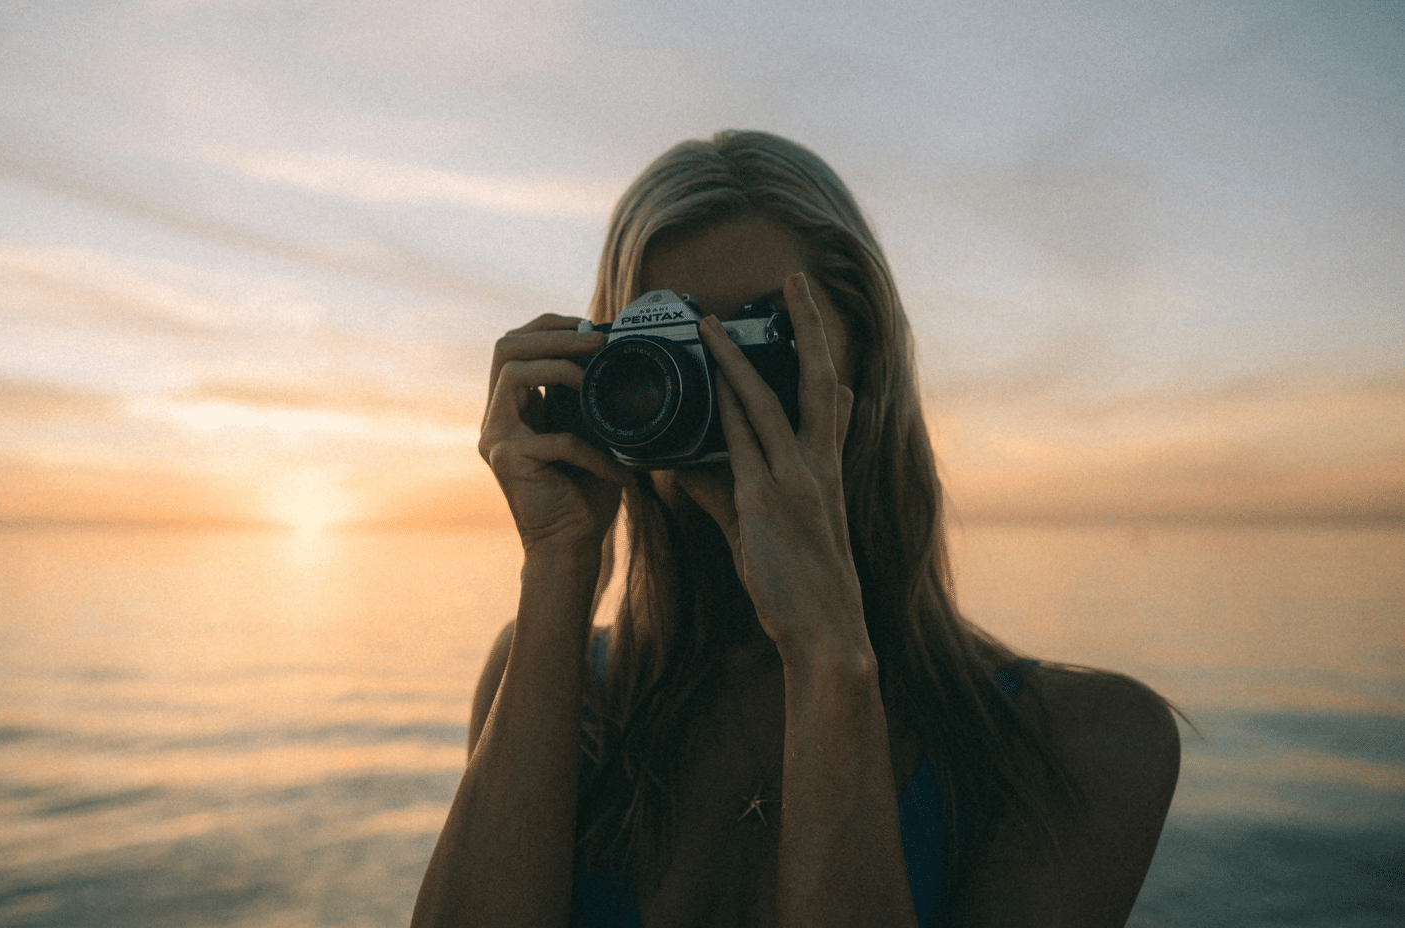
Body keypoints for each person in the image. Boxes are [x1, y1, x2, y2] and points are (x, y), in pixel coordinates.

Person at [412, 130, 1180, 928]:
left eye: (757, 334)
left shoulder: (1088, 744)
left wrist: (825, 651)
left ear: (866, 363)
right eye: (671, 343)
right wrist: (558, 568)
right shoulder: (548, 680)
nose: (713, 385)